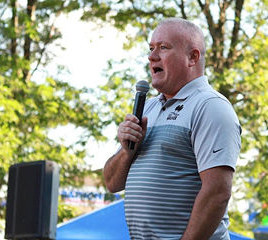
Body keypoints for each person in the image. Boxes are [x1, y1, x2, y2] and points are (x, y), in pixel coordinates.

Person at [103, 18, 241, 240]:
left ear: (192, 57)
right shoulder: (148, 108)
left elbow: (217, 193)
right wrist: (126, 151)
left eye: (163, 47)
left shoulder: (210, 106)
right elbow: (112, 183)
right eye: (151, 48)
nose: (151, 56)